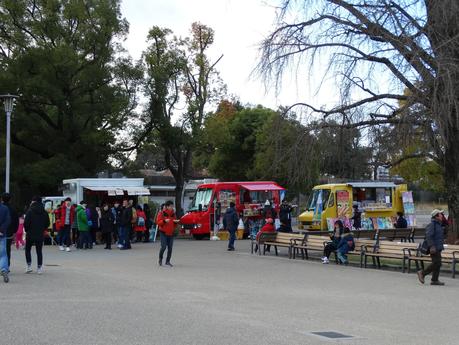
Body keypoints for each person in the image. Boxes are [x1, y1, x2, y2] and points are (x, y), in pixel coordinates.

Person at [417, 209, 445, 286]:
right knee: (437, 262)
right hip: (434, 247)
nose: (442, 216)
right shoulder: (432, 225)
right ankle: (422, 273)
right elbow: (429, 236)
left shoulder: (438, 224)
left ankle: (434, 280)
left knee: (437, 263)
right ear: (436, 216)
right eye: (440, 214)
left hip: (438, 247)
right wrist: (432, 246)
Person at [24, 196, 50, 274]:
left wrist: (27, 230)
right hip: (40, 234)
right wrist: (42, 228)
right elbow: (47, 223)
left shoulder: (30, 211)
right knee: (39, 251)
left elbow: (26, 223)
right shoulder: (44, 212)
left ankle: (29, 266)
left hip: (30, 234)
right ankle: (39, 268)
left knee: (28, 249)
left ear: (34, 201)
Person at [156, 200, 177, 266]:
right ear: (167, 206)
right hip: (163, 232)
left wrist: (176, 222)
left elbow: (174, 224)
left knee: (170, 248)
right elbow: (158, 222)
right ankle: (160, 258)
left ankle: (168, 261)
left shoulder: (173, 214)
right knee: (163, 247)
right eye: (170, 206)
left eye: (172, 206)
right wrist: (164, 221)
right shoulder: (161, 213)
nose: (172, 207)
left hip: (171, 233)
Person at [2, 193, 19, 271]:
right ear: (10, 199)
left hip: (2, 231)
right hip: (9, 232)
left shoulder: (2, 208)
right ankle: (7, 266)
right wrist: (14, 231)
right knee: (7, 249)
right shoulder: (13, 209)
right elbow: (16, 221)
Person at [0, 200, 11, 282]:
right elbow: (8, 220)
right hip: (1, 234)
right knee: (3, 254)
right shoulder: (5, 208)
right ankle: (3, 269)